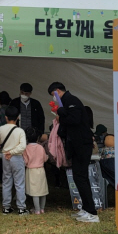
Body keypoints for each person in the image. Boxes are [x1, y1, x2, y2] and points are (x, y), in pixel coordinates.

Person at [48, 81, 98, 223]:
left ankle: (92, 213)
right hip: (75, 144)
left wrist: (61, 114)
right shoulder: (65, 102)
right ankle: (86, 208)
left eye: (53, 95)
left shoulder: (71, 100)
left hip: (82, 144)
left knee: (81, 177)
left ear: (57, 91)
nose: (53, 98)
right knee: (77, 177)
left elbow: (75, 120)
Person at [0, 105, 28, 215]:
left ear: (6, 117)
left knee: (6, 182)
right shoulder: (20, 131)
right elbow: (23, 146)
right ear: (18, 117)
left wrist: (8, 152)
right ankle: (21, 208)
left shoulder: (1, 129)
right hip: (17, 157)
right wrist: (13, 152)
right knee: (19, 183)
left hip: (5, 157)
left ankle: (6, 207)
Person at [23, 127, 49, 214]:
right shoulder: (40, 147)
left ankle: (36, 209)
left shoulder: (26, 148)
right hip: (41, 170)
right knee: (42, 191)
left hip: (31, 171)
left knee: (35, 192)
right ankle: (42, 208)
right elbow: (45, 159)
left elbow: (25, 161)